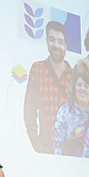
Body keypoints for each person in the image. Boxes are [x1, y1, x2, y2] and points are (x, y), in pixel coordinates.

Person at [24, 21, 72, 154]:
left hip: (70, 151)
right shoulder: (38, 68)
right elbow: (29, 109)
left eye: (60, 41)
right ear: (47, 41)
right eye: (52, 40)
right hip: (45, 148)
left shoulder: (75, 76)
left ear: (66, 45)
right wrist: (35, 142)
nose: (56, 45)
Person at [54, 69, 89, 159]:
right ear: (74, 88)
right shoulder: (65, 111)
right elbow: (57, 144)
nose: (82, 89)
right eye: (79, 85)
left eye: (86, 86)